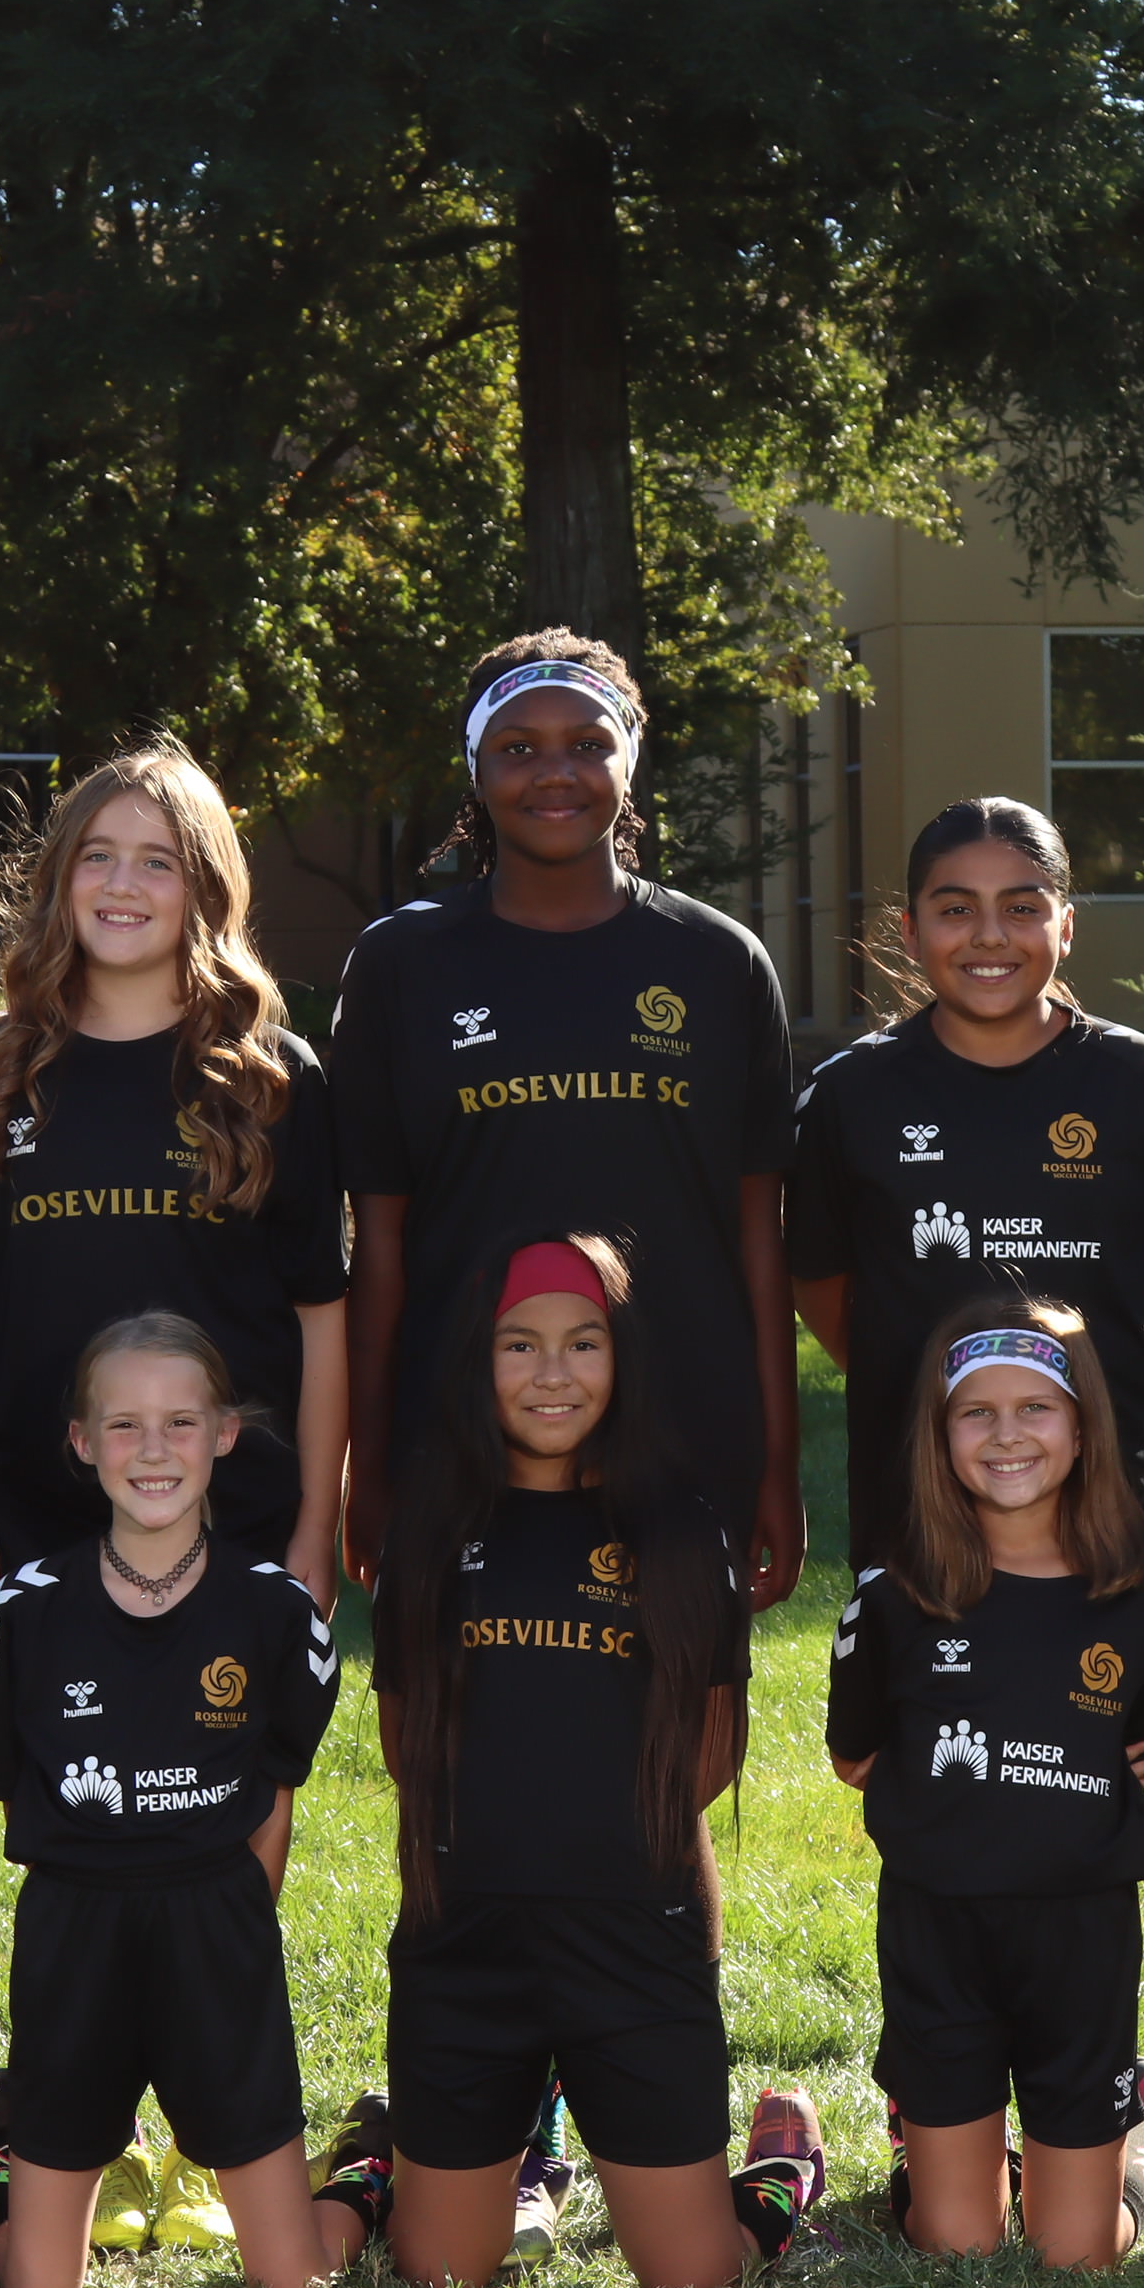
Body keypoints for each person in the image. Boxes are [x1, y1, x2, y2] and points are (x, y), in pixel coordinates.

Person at [345, 1235, 828, 2288]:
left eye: (584, 1343)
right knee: (439, 2275)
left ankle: (780, 2170)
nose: (551, 1372)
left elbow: (711, 1748)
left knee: (694, 2283)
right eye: (519, 1344)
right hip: (467, 1938)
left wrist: (593, 1840)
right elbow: (406, 1743)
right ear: (477, 1360)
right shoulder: (429, 1523)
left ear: (626, 1357)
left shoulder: (682, 1530)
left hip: (634, 1939)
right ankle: (395, 2152)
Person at [333, 634, 806, 1613]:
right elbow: (377, 1243)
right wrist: (367, 1461)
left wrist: (776, 1458)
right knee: (457, 1710)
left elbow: (760, 1239)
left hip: (686, 1428)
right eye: (519, 747)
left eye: (589, 744)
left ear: (631, 759)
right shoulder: (401, 965)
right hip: (458, 1433)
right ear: (475, 767)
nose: (556, 771)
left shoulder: (719, 962)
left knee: (684, 1706)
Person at [0, 1315, 358, 2288]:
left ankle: (364, 2174)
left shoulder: (277, 1611)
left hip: (216, 1928)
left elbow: (275, 1789)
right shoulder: (27, 1608)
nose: (153, 1450)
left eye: (180, 1422)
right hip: (73, 1928)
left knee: (292, 2284)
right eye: (124, 1425)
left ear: (224, 1434)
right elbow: (21, 1784)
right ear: (81, 1441)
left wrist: (231, 1920)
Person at [0, 745, 348, 1616]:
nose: (123, 884)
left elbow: (320, 1318)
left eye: (158, 862)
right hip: (36, 1518)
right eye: (98, 855)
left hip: (238, 1517)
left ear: (206, 889)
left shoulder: (270, 1078)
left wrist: (318, 1521)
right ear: (60, 875)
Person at [824, 1298, 1144, 2267]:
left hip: (1082, 1936)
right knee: (958, 2245)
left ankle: (1135, 2140)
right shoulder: (892, 1593)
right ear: (938, 1436)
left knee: (1078, 2253)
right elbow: (856, 1756)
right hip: (940, 1931)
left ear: (1082, 1427)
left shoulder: (1133, 1593)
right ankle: (934, 2140)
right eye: (976, 1412)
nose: (1007, 1433)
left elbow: (1137, 1744)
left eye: (1036, 1408)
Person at [787, 800, 1144, 1568]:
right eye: (956, 909)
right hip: (913, 1497)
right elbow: (821, 1288)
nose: (989, 935)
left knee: (1105, 1648)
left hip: (1106, 1494)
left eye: (1022, 908)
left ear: (1066, 927)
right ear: (911, 931)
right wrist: (934, 1381)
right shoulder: (849, 1093)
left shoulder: (1142, 1081)